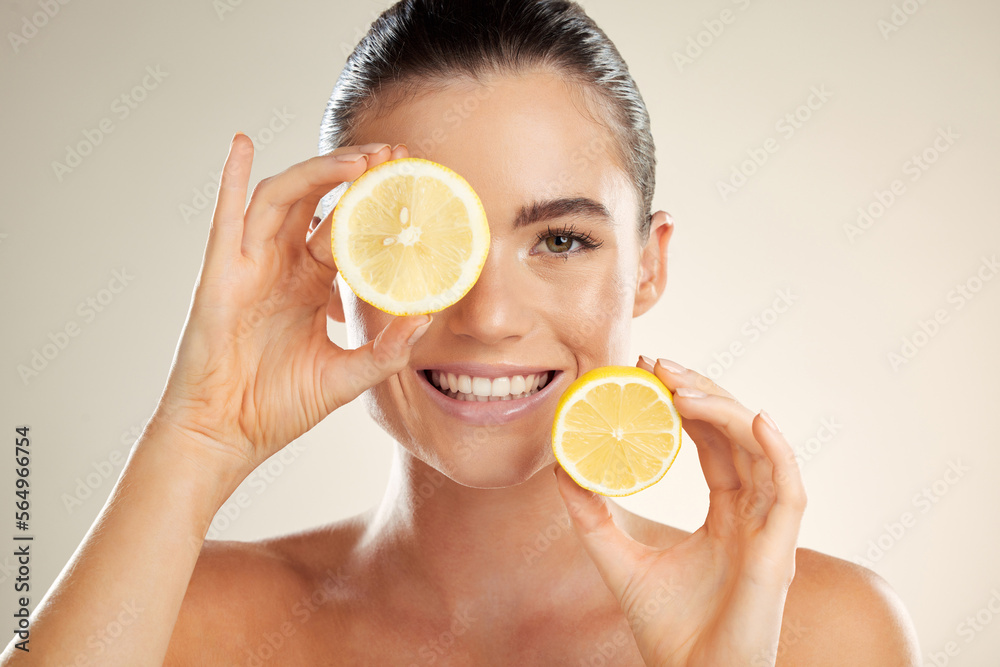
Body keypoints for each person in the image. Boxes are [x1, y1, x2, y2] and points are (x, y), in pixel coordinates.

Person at [2, 1, 921, 664]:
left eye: (560, 239)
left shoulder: (825, 633)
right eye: (424, 240)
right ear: (337, 260)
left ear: (648, 264)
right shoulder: (186, 623)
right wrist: (196, 434)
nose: (487, 318)